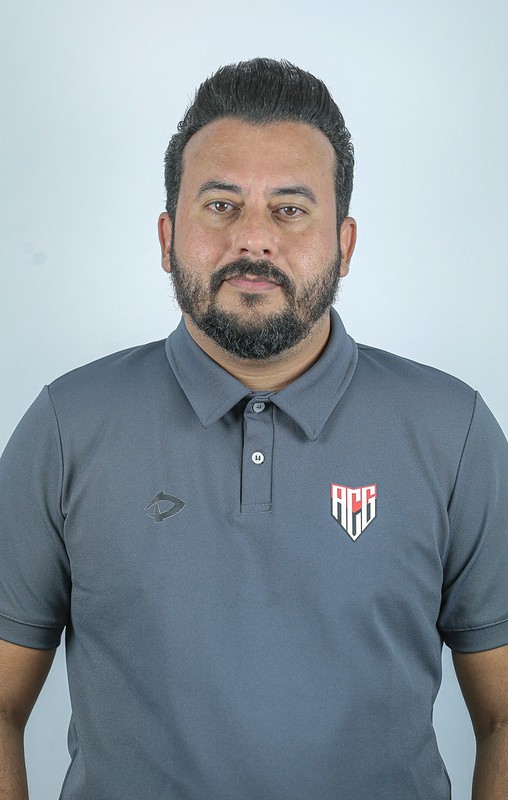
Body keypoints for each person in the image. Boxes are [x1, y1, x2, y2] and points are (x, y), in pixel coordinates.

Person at [0, 58, 507, 800]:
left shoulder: (454, 433)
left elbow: (502, 715)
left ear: (346, 244)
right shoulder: (65, 428)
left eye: (291, 209)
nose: (253, 239)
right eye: (221, 205)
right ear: (168, 236)